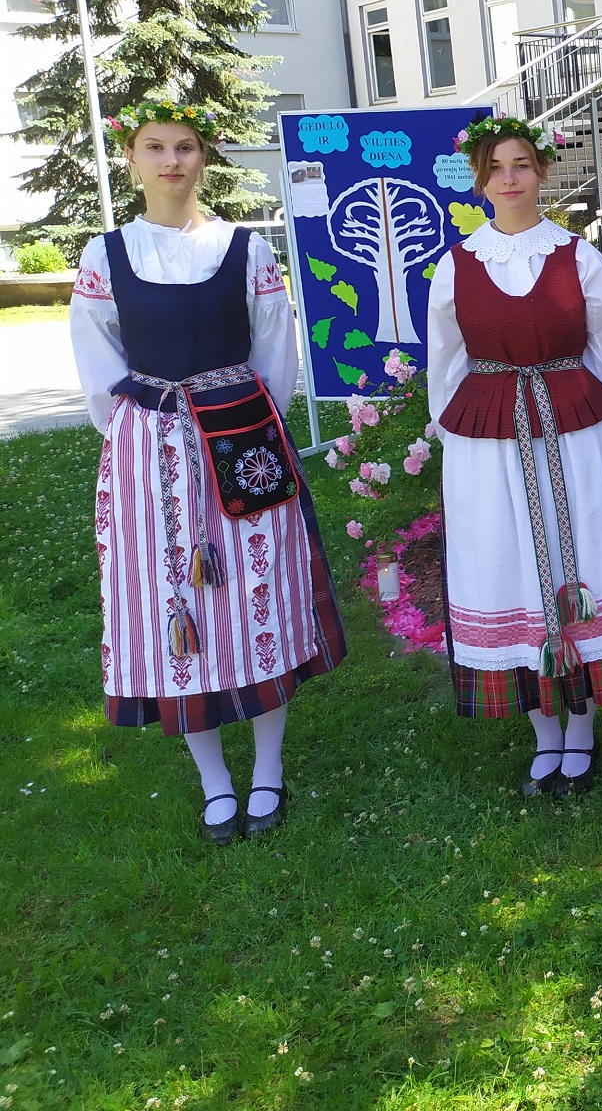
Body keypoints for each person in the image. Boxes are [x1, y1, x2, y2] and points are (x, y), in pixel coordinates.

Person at [71, 99, 347, 844]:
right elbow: (100, 368)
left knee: (256, 596)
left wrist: (246, 422)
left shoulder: (244, 249)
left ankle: (267, 770)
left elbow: (273, 353)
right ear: (131, 159)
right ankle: (214, 783)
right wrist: (147, 436)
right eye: (154, 147)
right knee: (177, 611)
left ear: (203, 157)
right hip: (151, 452)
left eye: (185, 146)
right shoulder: (107, 256)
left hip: (240, 439)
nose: (171, 161)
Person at [427, 115, 602, 796]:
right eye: (497, 168)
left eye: (522, 165)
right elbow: (446, 357)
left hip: (568, 426)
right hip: (488, 436)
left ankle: (579, 725)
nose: (510, 179)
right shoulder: (457, 263)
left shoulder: (577, 257)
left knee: (576, 552)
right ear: (481, 179)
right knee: (507, 566)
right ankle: (540, 729)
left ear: (542, 173)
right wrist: (450, 429)